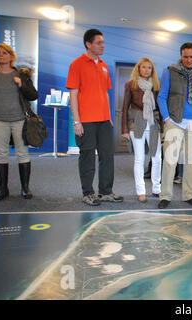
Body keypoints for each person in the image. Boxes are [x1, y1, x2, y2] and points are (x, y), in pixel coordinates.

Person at [66, 29, 123, 206]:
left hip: (104, 120)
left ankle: (106, 191)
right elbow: (73, 94)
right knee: (87, 156)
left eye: (103, 42)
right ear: (88, 44)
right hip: (86, 121)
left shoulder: (104, 65)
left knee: (107, 156)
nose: (102, 45)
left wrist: (109, 116)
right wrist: (77, 121)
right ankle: (88, 193)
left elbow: (105, 93)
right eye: (99, 42)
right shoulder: (77, 64)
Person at [157, 42, 192, 209]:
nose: (188, 60)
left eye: (191, 56)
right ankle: (165, 195)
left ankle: (188, 194)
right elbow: (161, 97)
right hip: (176, 121)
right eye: (185, 56)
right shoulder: (171, 71)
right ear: (181, 56)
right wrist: (167, 119)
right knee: (170, 160)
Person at [0, 43, 38, 200]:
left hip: (19, 120)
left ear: (11, 56)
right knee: (1, 153)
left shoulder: (21, 75)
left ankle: (25, 188)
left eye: (4, 53)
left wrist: (21, 85)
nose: (0, 55)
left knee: (22, 152)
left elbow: (33, 95)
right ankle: (3, 189)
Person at [121, 58, 162, 203]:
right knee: (139, 159)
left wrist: (162, 128)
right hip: (136, 124)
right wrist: (125, 129)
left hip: (153, 124)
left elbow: (160, 108)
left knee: (157, 158)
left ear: (152, 70)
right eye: (143, 67)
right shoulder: (131, 84)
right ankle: (141, 191)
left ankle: (157, 188)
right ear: (138, 69)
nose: (146, 70)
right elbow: (125, 108)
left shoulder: (156, 86)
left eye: (149, 68)